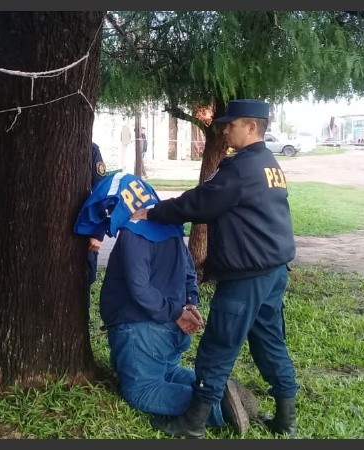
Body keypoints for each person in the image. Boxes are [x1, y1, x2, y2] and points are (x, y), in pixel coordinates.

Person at [130, 99, 299, 438]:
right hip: (274, 271)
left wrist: (154, 212)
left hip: (246, 276)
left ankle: (192, 425)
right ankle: (286, 420)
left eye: (231, 124)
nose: (224, 130)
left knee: (218, 347)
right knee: (270, 341)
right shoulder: (270, 165)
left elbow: (201, 204)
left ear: (251, 127)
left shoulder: (238, 169)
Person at [74, 172, 254, 436]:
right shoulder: (170, 228)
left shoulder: (134, 233)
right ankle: (218, 389)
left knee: (141, 391)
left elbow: (139, 287)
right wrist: (190, 304)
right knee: (167, 372)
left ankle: (218, 409)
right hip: (170, 331)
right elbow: (189, 272)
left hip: (142, 330)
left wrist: (177, 312)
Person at [86, 142, 107, 290]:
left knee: (83, 280)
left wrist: (98, 234)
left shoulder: (90, 149)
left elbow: (101, 191)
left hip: (83, 229)